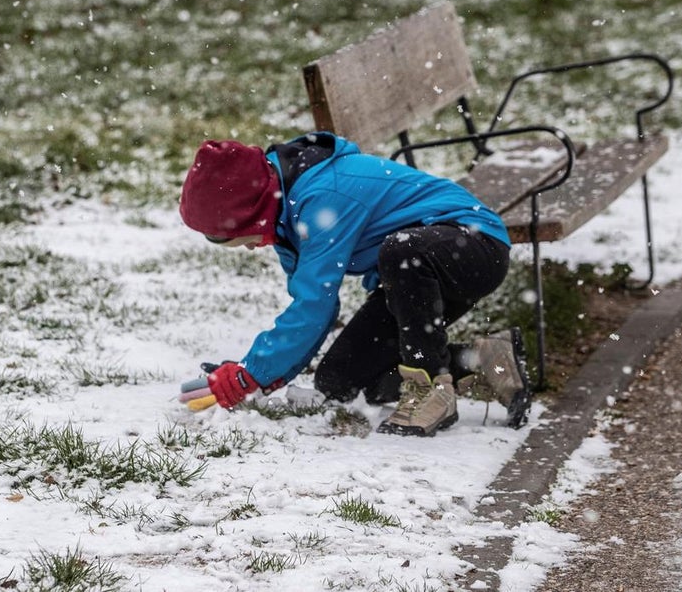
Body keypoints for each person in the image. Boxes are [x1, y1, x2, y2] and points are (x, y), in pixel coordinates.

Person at [178, 131, 531, 436]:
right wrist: (252, 374)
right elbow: (314, 308)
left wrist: (246, 377)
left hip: (475, 247)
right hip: (415, 276)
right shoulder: (283, 214)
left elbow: (313, 306)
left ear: (251, 212)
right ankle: (485, 359)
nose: (248, 246)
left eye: (228, 236)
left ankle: (430, 392)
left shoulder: (321, 196)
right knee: (340, 383)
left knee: (401, 250)